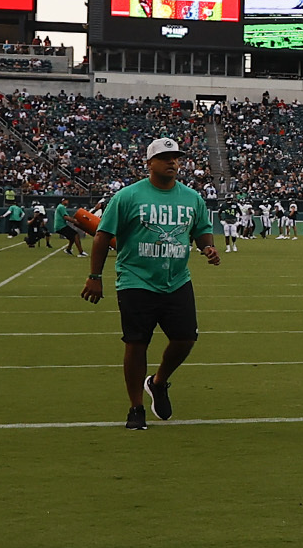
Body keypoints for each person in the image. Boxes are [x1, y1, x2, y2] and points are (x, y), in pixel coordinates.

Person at [81, 137, 221, 431]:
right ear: (150, 163)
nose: (173, 162)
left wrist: (207, 247)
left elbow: (201, 231)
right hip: (136, 279)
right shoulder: (128, 197)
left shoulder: (192, 198)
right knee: (136, 343)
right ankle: (136, 407)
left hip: (177, 279)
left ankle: (158, 383)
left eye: (176, 157)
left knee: (185, 339)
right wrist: (95, 277)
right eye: (166, 157)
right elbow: (102, 235)